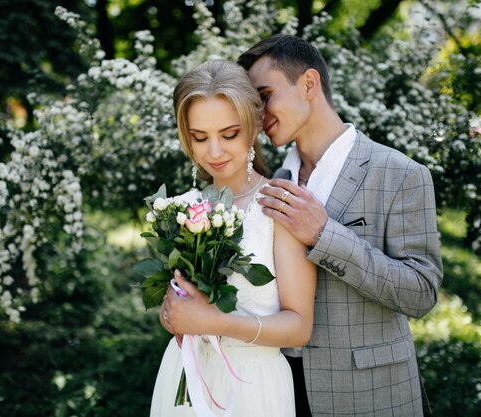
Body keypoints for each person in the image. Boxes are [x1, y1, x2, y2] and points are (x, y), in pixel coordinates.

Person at [234, 34, 444, 417]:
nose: (258, 115)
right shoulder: (271, 185)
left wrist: (324, 236)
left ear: (309, 84)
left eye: (264, 96)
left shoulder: (400, 173)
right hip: (278, 393)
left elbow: (422, 292)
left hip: (371, 395)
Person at [150, 59, 317, 417]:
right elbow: (177, 305)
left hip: (253, 386)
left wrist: (216, 322)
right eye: (199, 137)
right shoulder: (180, 209)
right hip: (183, 373)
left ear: (254, 125)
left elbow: (299, 327)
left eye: (229, 134)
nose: (214, 152)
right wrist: (172, 313)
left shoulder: (278, 206)